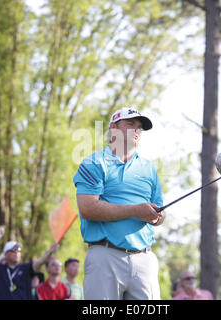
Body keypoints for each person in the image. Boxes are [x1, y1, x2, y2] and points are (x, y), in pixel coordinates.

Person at [73, 107, 165, 300]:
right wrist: (135, 211)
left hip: (144, 258)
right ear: (114, 128)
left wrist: (157, 217)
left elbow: (158, 212)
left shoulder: (149, 168)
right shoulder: (93, 163)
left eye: (140, 127)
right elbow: (88, 208)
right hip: (105, 256)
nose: (137, 130)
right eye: (131, 124)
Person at [0, 225, 60, 300]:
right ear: (6, 254)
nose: (17, 253)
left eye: (19, 250)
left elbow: (41, 261)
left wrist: (50, 251)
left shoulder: (27, 268)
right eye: (14, 250)